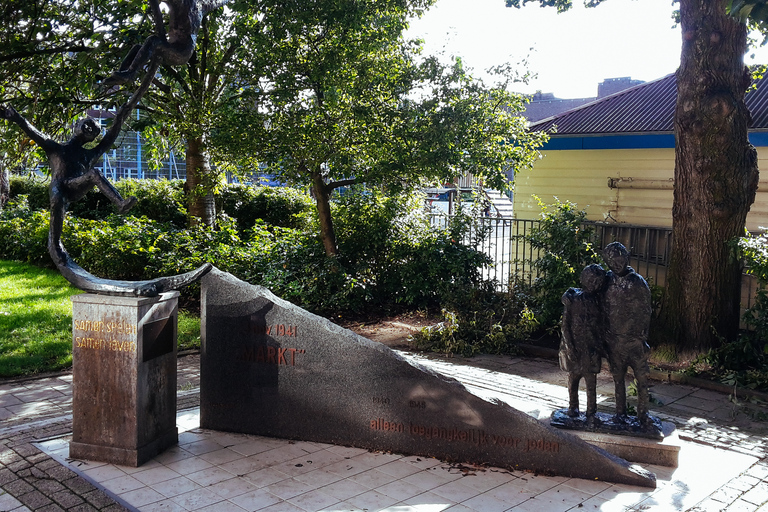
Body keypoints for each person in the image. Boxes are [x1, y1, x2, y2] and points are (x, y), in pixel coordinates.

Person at [104, 0, 231, 86]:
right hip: (175, 48)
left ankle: (130, 74)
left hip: (181, 52)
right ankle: (121, 74)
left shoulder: (192, 3)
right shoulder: (201, 4)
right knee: (139, 48)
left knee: (153, 40)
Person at [601, 241, 653, 425]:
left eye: (619, 259)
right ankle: (620, 413)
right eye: (611, 261)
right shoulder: (606, 281)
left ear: (627, 257)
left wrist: (643, 337)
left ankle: (643, 414)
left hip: (634, 341)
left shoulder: (637, 282)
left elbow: (646, 311)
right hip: (614, 340)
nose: (616, 264)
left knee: (642, 378)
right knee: (617, 379)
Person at [559, 263, 606, 421]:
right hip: (576, 348)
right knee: (573, 379)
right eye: (592, 280)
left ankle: (591, 412)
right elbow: (565, 325)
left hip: (591, 349)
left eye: (598, 282)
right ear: (585, 279)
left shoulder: (598, 301)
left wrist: (600, 347)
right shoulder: (573, 298)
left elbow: (601, 326)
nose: (595, 285)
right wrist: (569, 347)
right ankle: (573, 407)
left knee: (591, 382)